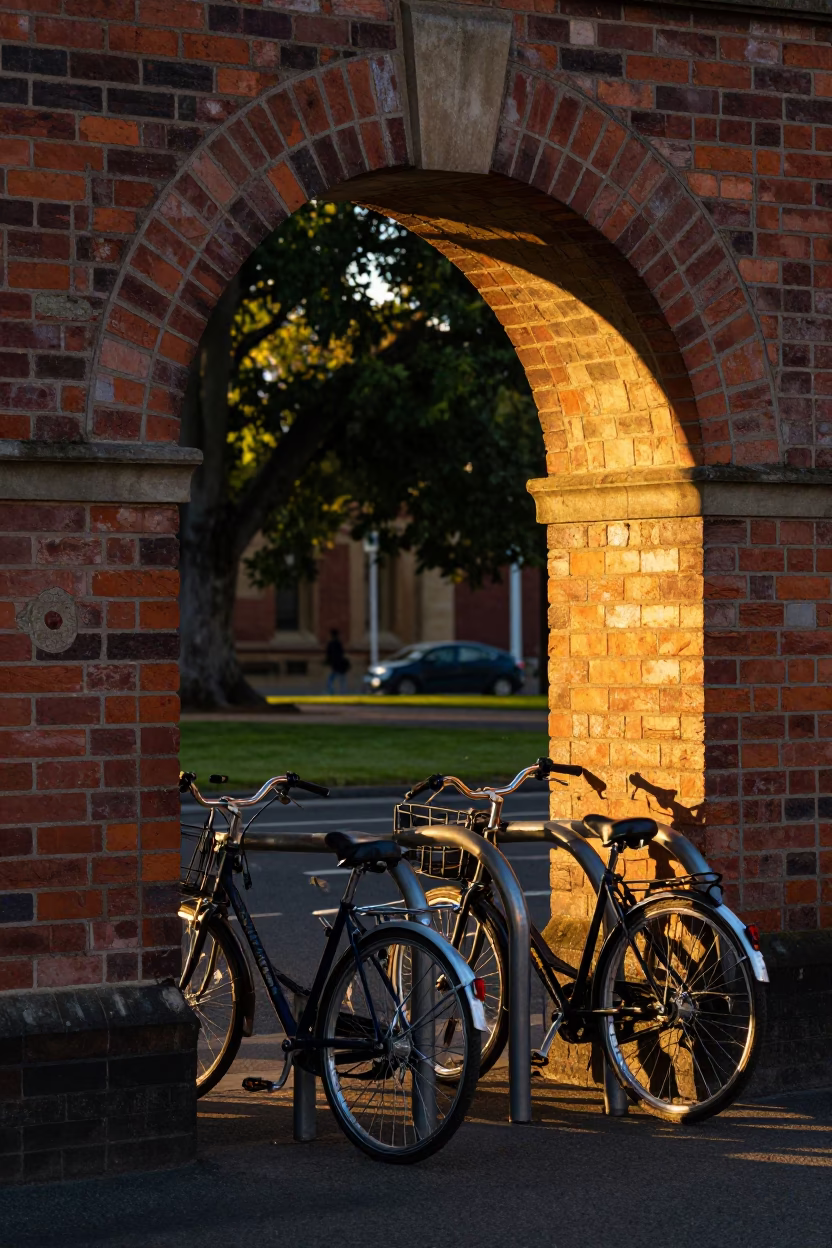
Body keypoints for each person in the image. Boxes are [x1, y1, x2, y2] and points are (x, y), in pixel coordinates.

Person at [324, 627, 350, 694]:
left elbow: (329, 654)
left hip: (337, 664)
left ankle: (334, 691)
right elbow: (341, 653)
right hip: (337, 664)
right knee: (338, 678)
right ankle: (337, 691)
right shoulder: (336, 643)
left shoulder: (334, 644)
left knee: (334, 678)